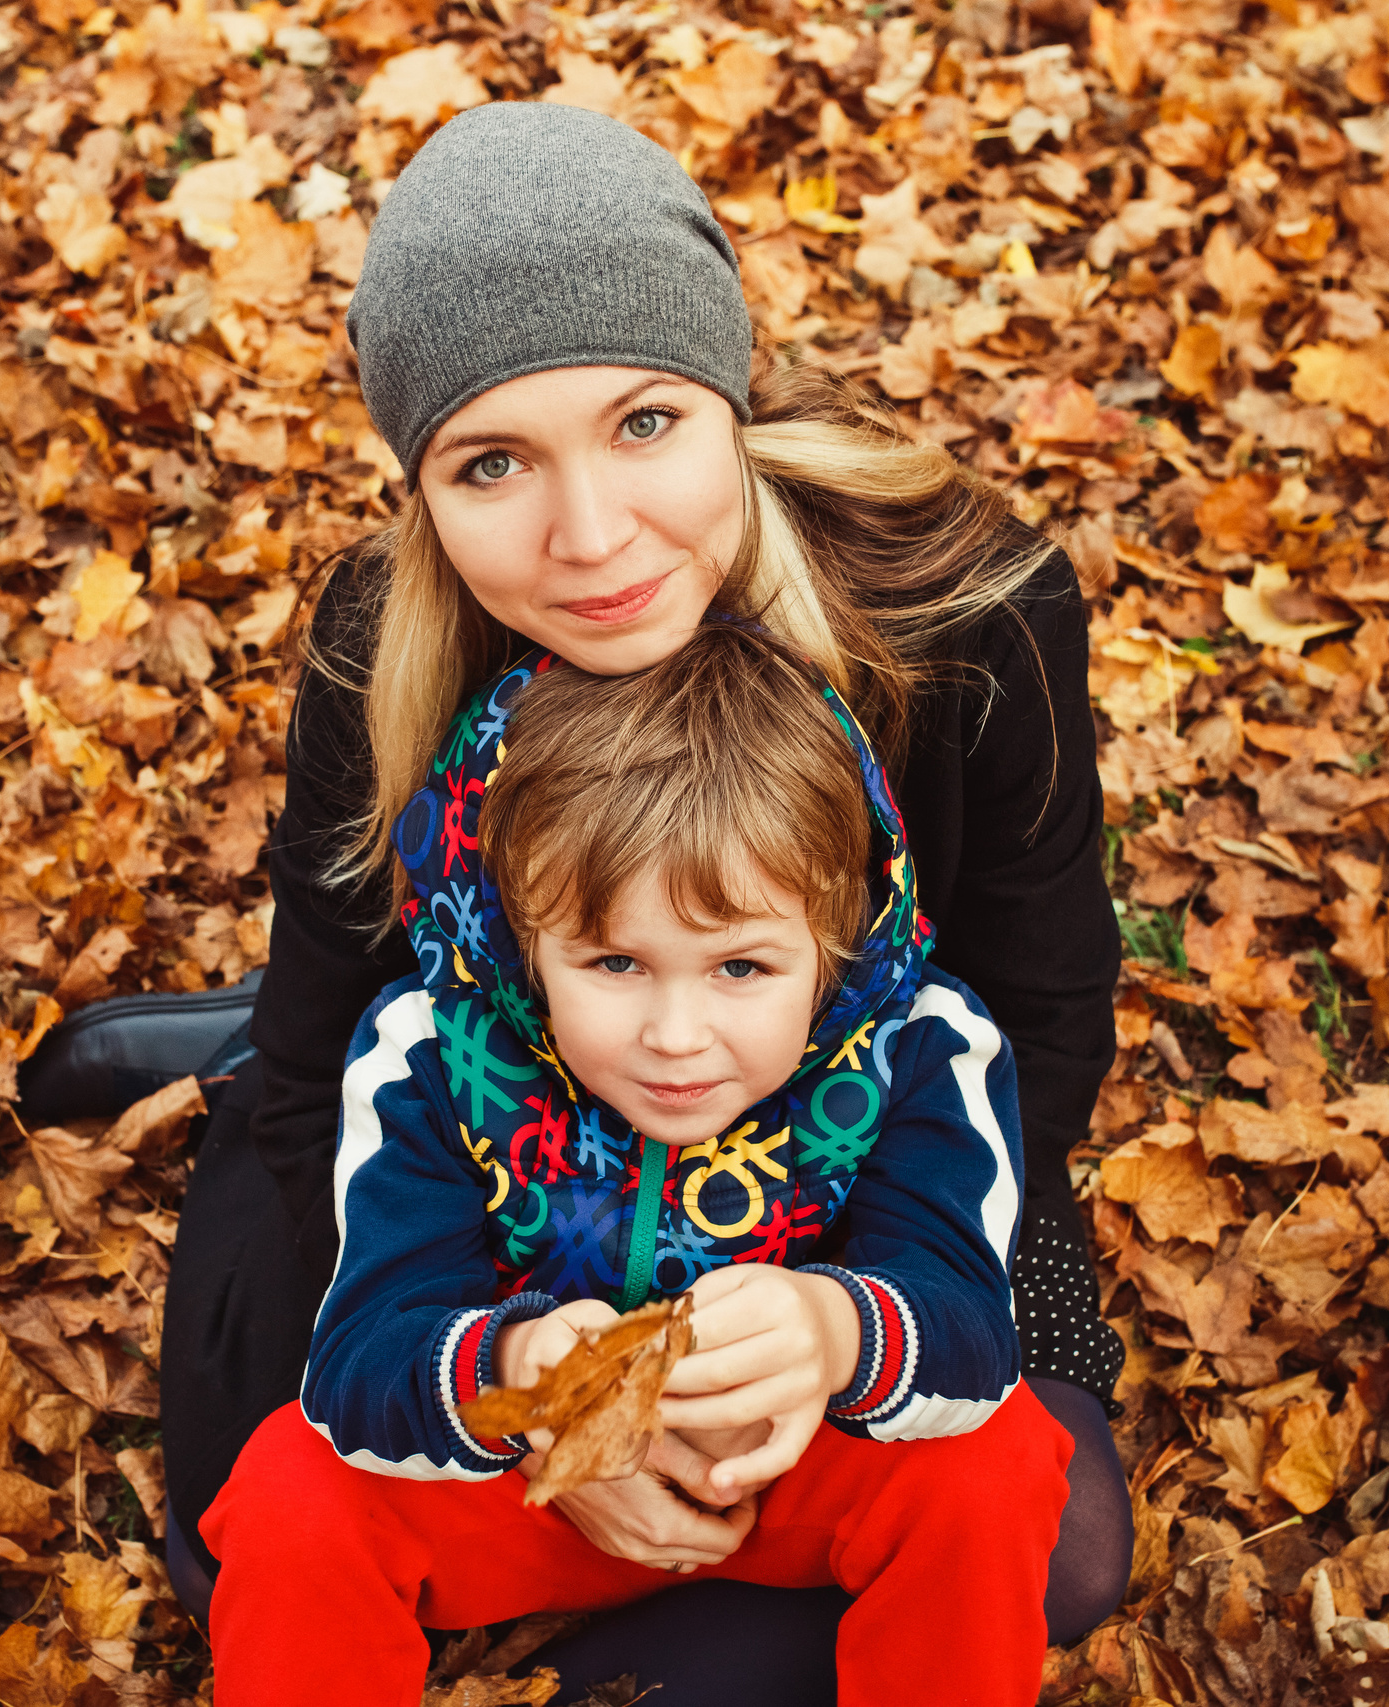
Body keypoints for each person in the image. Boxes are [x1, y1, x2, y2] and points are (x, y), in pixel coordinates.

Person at [157, 100, 1131, 1692]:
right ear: (420, 489)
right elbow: (330, 1033)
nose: (593, 534)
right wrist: (566, 1409)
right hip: (495, 1112)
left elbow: (1038, 1021)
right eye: (492, 461)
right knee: (236, 1513)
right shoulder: (379, 642)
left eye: (647, 424)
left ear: (728, 395)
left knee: (1062, 1545)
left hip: (847, 1112)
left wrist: (833, 1324)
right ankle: (235, 1039)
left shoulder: (973, 608)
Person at [202, 625, 1072, 1705]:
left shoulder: (920, 1048)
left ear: (838, 935)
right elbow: (358, 1363)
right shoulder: (435, 1057)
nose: (675, 1033)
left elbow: (972, 1327)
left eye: (741, 966)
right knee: (290, 1489)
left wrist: (832, 1331)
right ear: (522, 940)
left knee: (993, 1468)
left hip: (783, 1471)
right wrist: (512, 1371)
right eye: (613, 961)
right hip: (530, 1494)